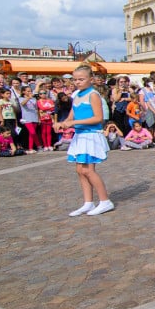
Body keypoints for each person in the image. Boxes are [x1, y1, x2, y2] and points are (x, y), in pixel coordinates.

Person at [57, 65, 113, 217]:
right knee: (80, 170)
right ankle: (88, 202)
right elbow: (71, 115)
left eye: (81, 79)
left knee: (89, 170)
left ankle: (104, 200)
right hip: (80, 135)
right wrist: (62, 123)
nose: (77, 82)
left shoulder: (93, 95)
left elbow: (98, 118)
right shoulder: (76, 95)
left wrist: (73, 123)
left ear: (91, 79)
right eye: (75, 80)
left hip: (91, 135)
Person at [19, 86, 39, 153]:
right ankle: (38, 145)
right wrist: (28, 98)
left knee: (32, 134)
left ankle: (31, 148)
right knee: (32, 132)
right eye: (28, 91)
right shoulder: (21, 98)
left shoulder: (34, 99)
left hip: (34, 117)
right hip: (27, 118)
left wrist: (38, 118)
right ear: (23, 92)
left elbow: (36, 109)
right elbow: (22, 104)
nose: (30, 92)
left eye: (30, 91)